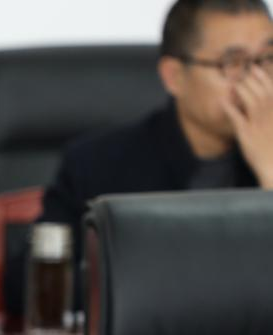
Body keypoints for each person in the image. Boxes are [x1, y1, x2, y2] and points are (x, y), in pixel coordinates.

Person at [14, 0, 273, 312]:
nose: (258, 81)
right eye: (233, 63)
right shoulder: (99, 163)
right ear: (174, 76)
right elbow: (26, 286)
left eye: (267, 59)